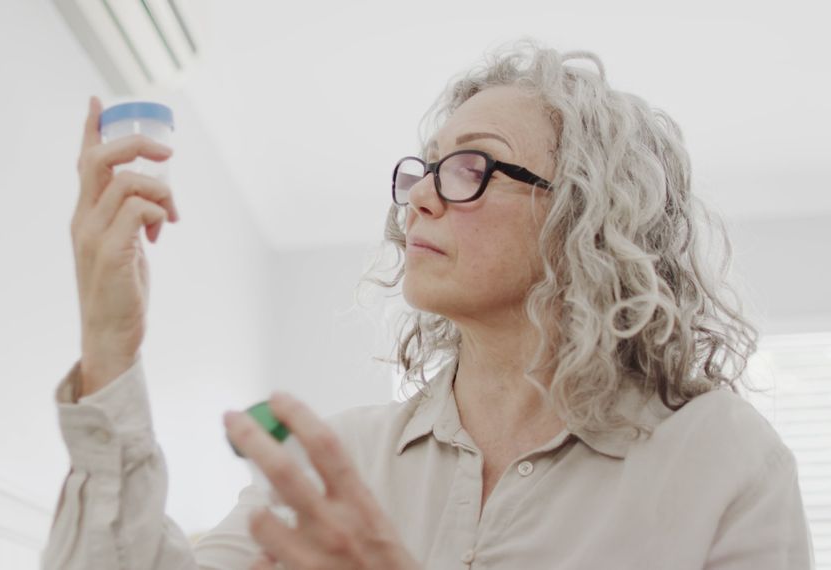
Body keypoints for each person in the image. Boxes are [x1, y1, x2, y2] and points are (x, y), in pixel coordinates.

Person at [40, 41, 815, 569]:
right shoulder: (330, 466)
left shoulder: (725, 462)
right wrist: (110, 341)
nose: (419, 198)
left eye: (470, 166)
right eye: (425, 170)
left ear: (587, 212)